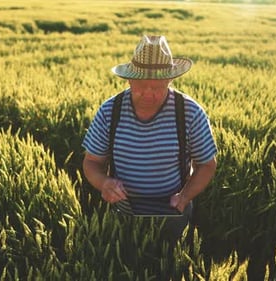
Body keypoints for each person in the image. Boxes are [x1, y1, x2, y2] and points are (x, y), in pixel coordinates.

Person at [82, 35, 217, 279]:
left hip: (173, 210)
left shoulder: (189, 111)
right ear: (129, 80)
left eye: (158, 86)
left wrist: (185, 196)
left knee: (169, 270)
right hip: (123, 212)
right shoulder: (109, 111)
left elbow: (207, 164)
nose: (149, 94)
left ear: (170, 80)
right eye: (142, 85)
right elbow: (92, 162)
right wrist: (104, 183)